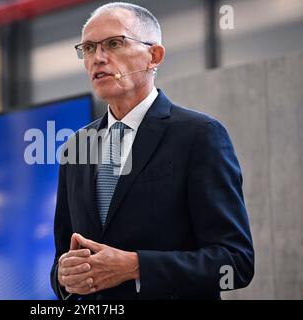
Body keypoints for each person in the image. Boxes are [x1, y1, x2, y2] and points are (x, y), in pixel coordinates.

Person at [50, 2, 254, 300]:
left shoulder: (199, 136)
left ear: (154, 56)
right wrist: (64, 276)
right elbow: (60, 262)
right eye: (89, 48)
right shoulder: (75, 147)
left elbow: (236, 263)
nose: (98, 58)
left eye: (114, 44)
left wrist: (137, 266)